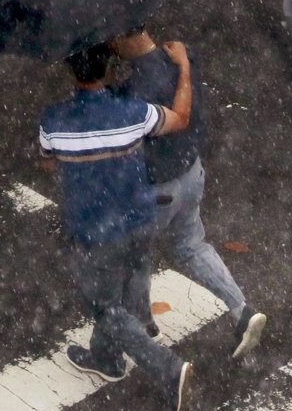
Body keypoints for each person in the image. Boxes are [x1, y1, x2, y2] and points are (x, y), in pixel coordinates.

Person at [39, 41, 195, 411]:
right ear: (109, 71)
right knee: (131, 281)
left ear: (71, 72)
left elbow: (48, 164)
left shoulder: (54, 122)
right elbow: (180, 118)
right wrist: (184, 68)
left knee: (105, 307)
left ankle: (167, 368)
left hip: (96, 231)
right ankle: (106, 358)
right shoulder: (133, 113)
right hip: (139, 220)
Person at [109, 27, 266, 358]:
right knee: (191, 245)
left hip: (157, 189)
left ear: (121, 40)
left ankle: (140, 328)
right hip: (191, 172)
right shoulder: (182, 54)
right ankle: (241, 311)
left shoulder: (135, 93)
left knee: (134, 258)